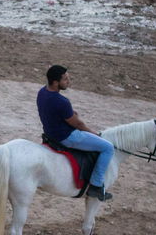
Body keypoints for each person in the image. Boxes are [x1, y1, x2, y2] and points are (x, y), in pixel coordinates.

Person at [37, 64, 114, 201]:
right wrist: (93, 133)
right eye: (65, 79)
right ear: (55, 82)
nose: (68, 82)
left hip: (50, 135)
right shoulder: (62, 101)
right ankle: (96, 186)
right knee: (107, 147)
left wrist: (71, 114)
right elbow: (78, 124)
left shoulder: (42, 92)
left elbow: (54, 113)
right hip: (67, 137)